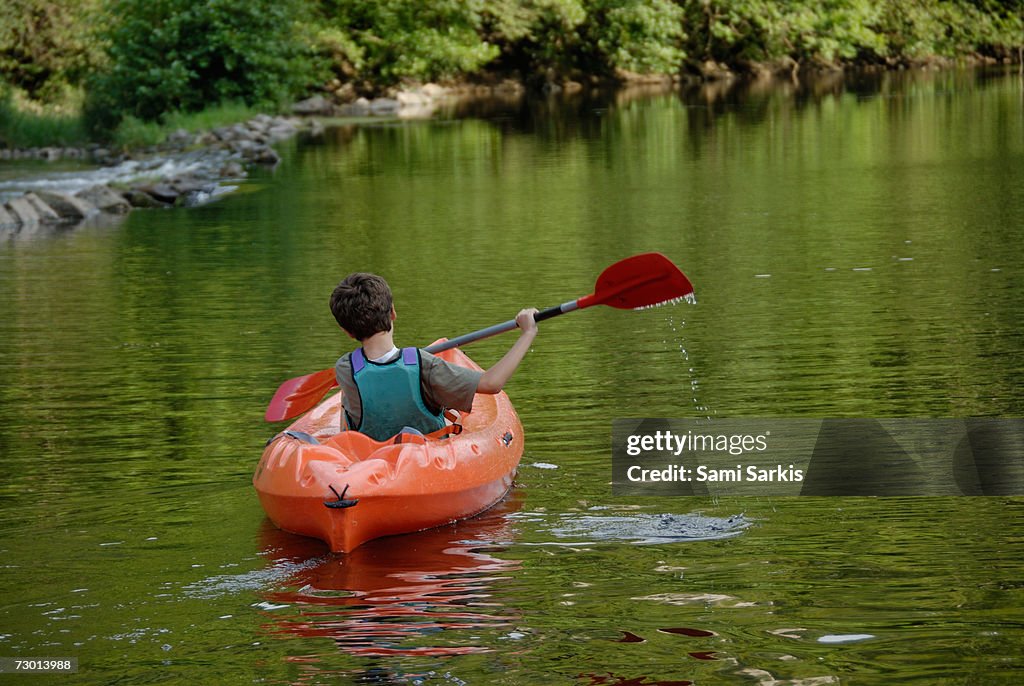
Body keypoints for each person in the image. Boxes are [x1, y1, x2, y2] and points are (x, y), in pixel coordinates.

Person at [329, 272, 538, 441]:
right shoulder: (423, 365)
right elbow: (492, 383)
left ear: (346, 331)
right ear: (393, 312)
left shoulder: (345, 369)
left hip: (369, 466)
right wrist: (527, 333)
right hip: (426, 462)